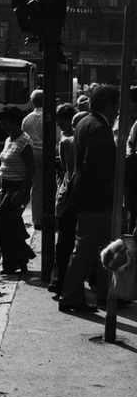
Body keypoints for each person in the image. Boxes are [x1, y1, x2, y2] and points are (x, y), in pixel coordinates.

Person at [59, 85, 119, 313]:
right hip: (98, 198)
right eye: (116, 105)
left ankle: (105, 293)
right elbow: (100, 167)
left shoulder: (86, 122)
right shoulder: (99, 129)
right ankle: (72, 295)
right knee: (87, 248)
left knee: (104, 247)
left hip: (89, 196)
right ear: (109, 105)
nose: (117, 111)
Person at [0, 105, 37, 274]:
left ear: (14, 122)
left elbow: (31, 168)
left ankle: (24, 254)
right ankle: (11, 263)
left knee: (0, 220)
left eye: (4, 123)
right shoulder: (9, 139)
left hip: (16, 187)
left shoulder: (24, 141)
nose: (2, 126)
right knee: (9, 225)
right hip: (5, 187)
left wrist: (21, 192)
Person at [51, 105, 81, 296]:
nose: (58, 124)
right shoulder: (70, 142)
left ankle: (59, 281)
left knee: (64, 241)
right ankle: (62, 283)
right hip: (71, 195)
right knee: (69, 241)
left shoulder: (67, 141)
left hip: (65, 194)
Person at [21, 90, 58, 230]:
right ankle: (50, 215)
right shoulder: (50, 117)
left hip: (33, 153)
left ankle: (37, 219)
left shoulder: (27, 119)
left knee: (36, 187)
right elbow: (58, 138)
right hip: (48, 153)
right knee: (52, 185)